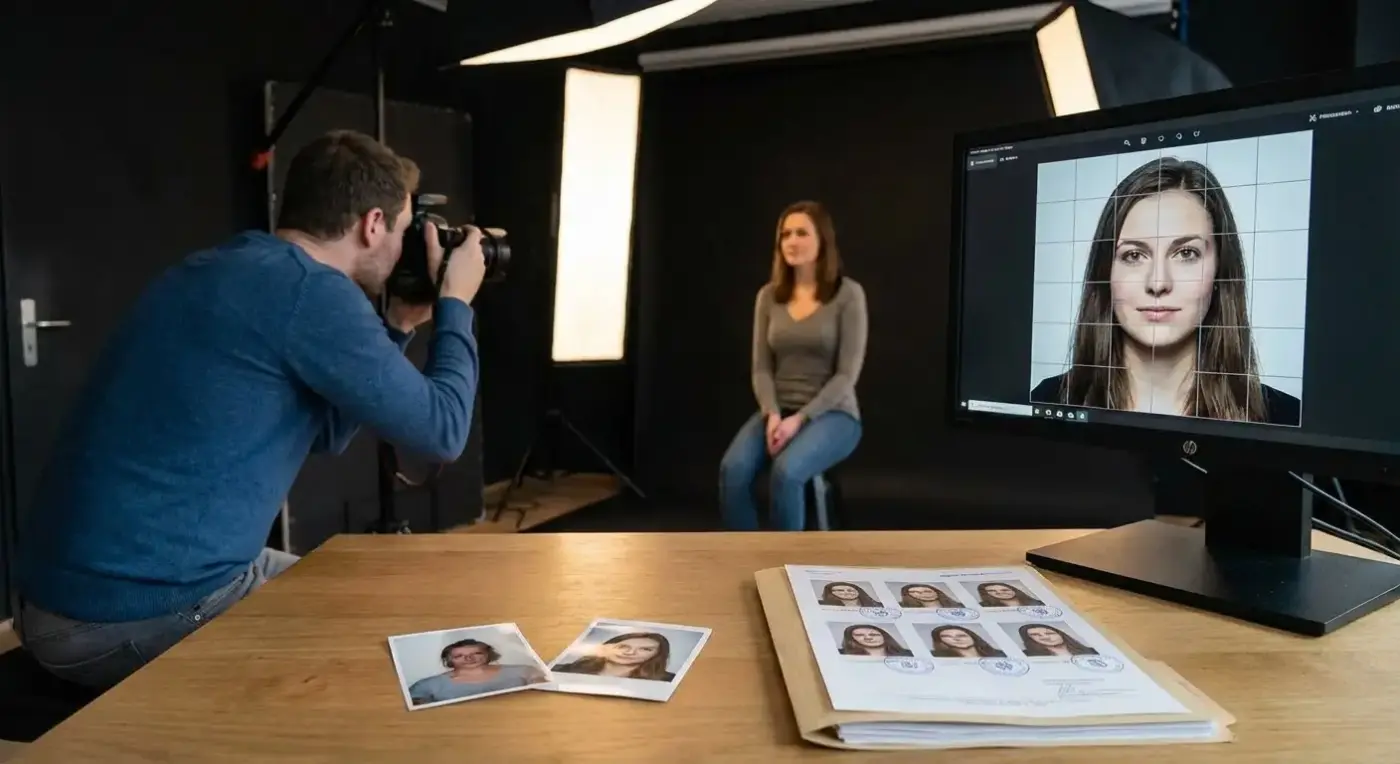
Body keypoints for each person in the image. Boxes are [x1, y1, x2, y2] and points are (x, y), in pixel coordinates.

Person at [13, 130, 487, 690]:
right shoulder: (312, 294)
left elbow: (327, 432)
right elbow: (444, 432)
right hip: (126, 614)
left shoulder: (230, 266)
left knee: (376, 600)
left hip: (69, 596)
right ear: (373, 224)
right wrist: (456, 303)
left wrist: (400, 325)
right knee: (379, 659)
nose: (404, 248)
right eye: (405, 231)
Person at [1031, 156, 1301, 426]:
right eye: (1134, 255)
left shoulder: (1285, 418)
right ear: (1105, 273)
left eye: (1186, 253)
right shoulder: (1047, 401)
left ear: (1220, 271)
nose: (1158, 283)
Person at [719, 200, 868, 531]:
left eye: (802, 232)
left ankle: (786, 570)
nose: (792, 241)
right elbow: (760, 368)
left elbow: (846, 376)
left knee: (786, 473)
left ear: (822, 241)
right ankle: (744, 559)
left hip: (834, 415)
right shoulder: (769, 297)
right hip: (778, 411)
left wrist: (800, 420)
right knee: (733, 470)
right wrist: (772, 413)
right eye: (785, 234)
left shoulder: (848, 295)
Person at [408, 638, 546, 705]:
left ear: (488, 654)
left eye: (476, 653)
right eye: (459, 656)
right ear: (449, 661)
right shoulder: (426, 686)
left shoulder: (524, 671)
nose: (469, 658)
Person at [553, 632, 677, 682]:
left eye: (645, 649)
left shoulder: (667, 680)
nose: (630, 652)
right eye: (623, 647)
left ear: (657, 655)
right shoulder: (560, 670)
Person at [1017, 623, 1098, 658]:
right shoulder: (1026, 655)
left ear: (1061, 635)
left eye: (1049, 633)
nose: (1045, 637)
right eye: (1035, 635)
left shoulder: (1091, 651)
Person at [929, 625, 1006, 659]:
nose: (956, 639)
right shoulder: (934, 656)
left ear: (973, 638)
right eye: (947, 637)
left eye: (962, 636)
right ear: (940, 641)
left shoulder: (1001, 654)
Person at [836, 624, 912, 658]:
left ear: (885, 638)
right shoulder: (839, 654)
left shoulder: (908, 654)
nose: (868, 638)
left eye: (874, 635)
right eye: (859, 635)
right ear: (850, 639)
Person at [975, 582, 1044, 608]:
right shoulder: (983, 606)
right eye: (992, 591)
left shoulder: (1039, 604)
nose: (999, 593)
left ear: (1015, 590)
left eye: (1005, 590)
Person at [898, 583, 964, 609]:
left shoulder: (960, 606)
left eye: (927, 591)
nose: (922, 594)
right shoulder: (902, 607)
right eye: (915, 592)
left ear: (936, 592)